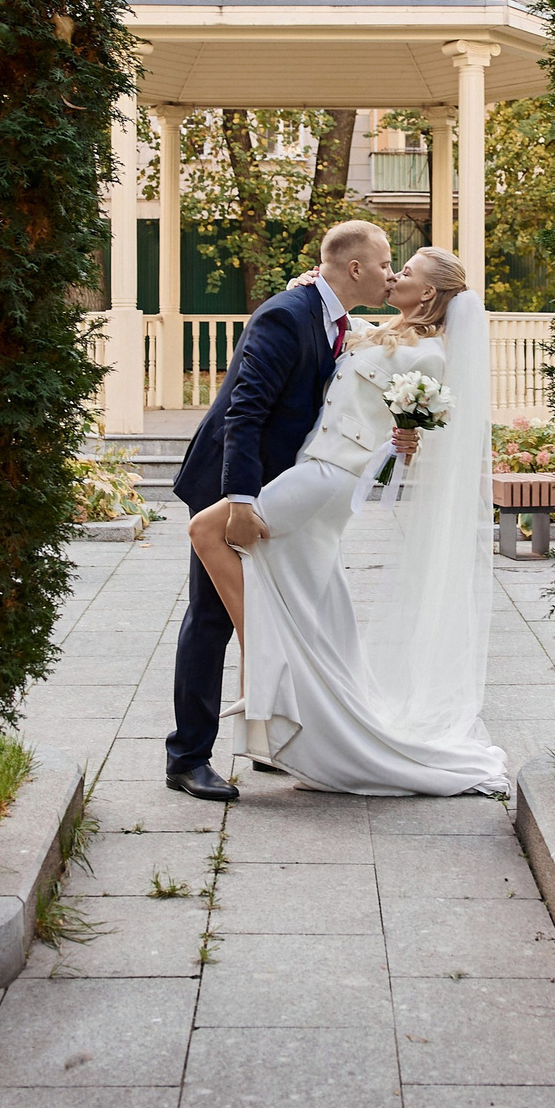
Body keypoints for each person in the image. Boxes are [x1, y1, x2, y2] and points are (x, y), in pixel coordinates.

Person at [190, 245, 506, 797]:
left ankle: (267, 654)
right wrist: (309, 283)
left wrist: (406, 438)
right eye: (391, 266)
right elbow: (338, 325)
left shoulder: (427, 356)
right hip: (316, 468)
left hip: (328, 475)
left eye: (404, 272)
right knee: (310, 596)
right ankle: (304, 725)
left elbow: (421, 433)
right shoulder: (384, 332)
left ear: (428, 293)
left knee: (206, 531)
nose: (394, 276)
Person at [164, 221, 395, 802]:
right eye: (386, 261)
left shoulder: (341, 322)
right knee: (212, 619)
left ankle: (265, 741)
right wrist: (239, 500)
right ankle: (187, 758)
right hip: (231, 479)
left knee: (274, 607)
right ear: (355, 269)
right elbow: (244, 411)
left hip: (280, 489)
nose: (391, 271)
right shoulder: (285, 315)